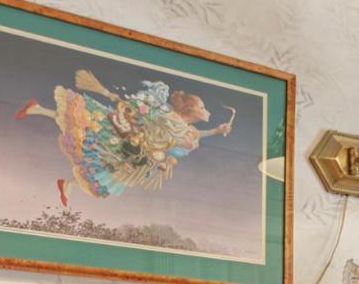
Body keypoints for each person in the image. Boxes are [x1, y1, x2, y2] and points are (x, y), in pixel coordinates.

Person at [16, 69, 234, 206]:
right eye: (202, 108)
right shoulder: (171, 120)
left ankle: (67, 184)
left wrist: (216, 131)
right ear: (190, 110)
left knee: (102, 173)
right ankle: (37, 109)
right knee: (83, 125)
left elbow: (190, 135)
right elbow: (164, 131)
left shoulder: (184, 128)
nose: (206, 112)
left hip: (136, 157)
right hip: (127, 143)